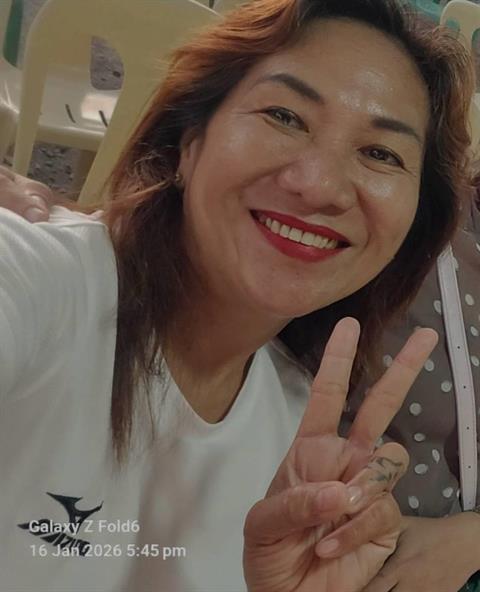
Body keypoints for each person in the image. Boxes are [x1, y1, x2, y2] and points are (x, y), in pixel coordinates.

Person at [0, 0, 475, 590]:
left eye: (380, 153)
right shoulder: (42, 282)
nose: (320, 186)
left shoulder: (298, 443)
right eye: (285, 116)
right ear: (188, 142)